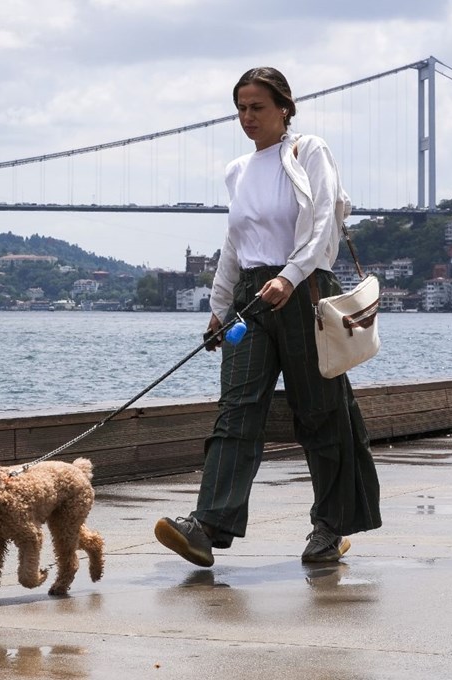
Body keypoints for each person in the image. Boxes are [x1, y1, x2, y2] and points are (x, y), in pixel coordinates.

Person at [155, 67, 382, 566]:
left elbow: (323, 219)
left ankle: (329, 527)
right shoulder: (237, 170)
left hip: (305, 292)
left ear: (284, 108)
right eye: (240, 108)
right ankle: (208, 525)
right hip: (252, 297)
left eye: (257, 107)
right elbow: (234, 243)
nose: (247, 117)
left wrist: (293, 274)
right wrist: (219, 308)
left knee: (321, 413)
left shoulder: (310, 151)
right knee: (236, 408)